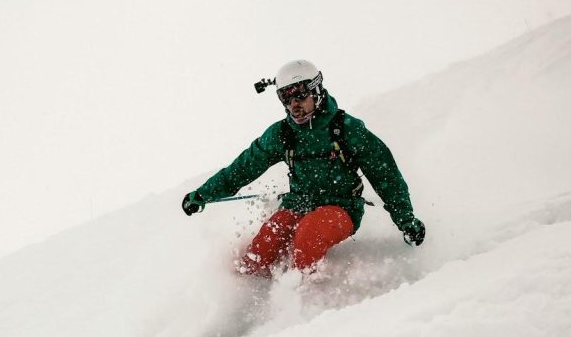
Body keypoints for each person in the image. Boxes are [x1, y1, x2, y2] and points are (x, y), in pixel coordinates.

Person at [182, 59, 425, 277]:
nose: (293, 105)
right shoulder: (283, 134)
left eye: (299, 95)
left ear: (316, 91)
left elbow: (385, 175)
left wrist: (405, 220)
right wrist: (204, 193)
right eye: (285, 98)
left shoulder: (346, 128)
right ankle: (251, 303)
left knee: (308, 236)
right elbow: (243, 168)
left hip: (341, 207)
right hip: (297, 204)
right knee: (263, 248)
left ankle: (308, 304)